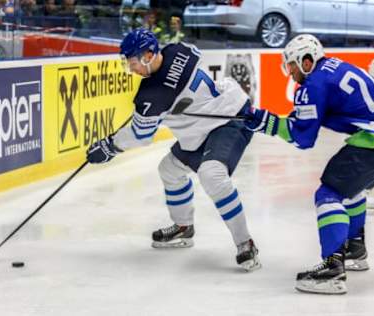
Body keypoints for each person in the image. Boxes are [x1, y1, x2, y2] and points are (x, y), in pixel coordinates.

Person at [244, 34, 374, 294]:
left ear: (307, 61)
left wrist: (264, 120)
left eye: (292, 65)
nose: (290, 72)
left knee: (329, 193)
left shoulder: (314, 84)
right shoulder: (334, 67)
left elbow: (302, 138)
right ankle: (355, 249)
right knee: (351, 189)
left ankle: (333, 267)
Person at [86, 28, 261, 271]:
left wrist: (110, 146)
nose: (131, 68)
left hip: (227, 120)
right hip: (205, 126)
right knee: (169, 170)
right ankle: (183, 227)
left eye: (133, 61)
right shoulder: (178, 51)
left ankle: (245, 243)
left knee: (213, 175)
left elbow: (140, 135)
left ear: (148, 54)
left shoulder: (150, 96)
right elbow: (181, 71)